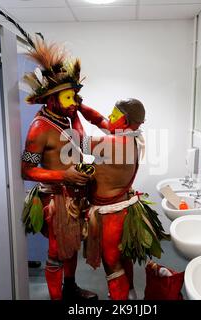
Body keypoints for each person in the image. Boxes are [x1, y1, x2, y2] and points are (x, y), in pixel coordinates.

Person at [21, 39, 105, 300]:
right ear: (51, 98)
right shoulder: (39, 128)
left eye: (75, 97)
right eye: (68, 97)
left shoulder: (69, 116)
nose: (74, 102)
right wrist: (63, 175)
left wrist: (77, 106)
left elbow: (97, 119)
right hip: (56, 197)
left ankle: (70, 288)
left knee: (71, 248)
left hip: (76, 195)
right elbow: (26, 170)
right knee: (57, 252)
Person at [79, 99, 170, 300]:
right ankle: (130, 295)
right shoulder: (132, 137)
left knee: (112, 265)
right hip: (124, 208)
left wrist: (68, 112)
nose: (109, 117)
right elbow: (100, 120)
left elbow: (76, 141)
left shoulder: (112, 143)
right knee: (122, 256)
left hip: (111, 215)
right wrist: (79, 105)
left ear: (126, 120)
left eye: (114, 114)